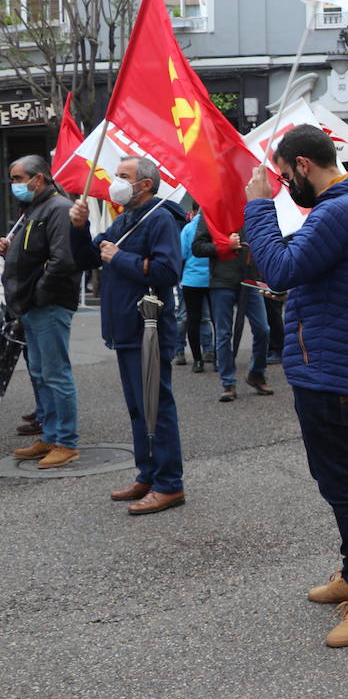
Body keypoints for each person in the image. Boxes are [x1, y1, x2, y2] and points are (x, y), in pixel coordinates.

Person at [241, 124, 348, 648]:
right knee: (334, 480)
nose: (283, 185)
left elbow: (282, 268)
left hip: (329, 366)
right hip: (323, 360)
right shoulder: (346, 209)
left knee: (344, 484)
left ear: (303, 164)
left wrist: (259, 207)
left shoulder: (340, 209)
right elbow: (304, 270)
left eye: (285, 176)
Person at [69, 156, 185, 512]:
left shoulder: (160, 218)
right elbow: (88, 258)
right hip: (125, 330)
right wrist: (79, 227)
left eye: (124, 176)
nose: (115, 181)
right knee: (138, 407)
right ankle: (147, 474)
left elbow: (167, 270)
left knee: (156, 406)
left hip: (147, 328)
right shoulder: (125, 219)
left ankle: (169, 484)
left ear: (145, 184)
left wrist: (120, 258)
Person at [2, 156, 81, 469]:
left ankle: (66, 441)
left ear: (39, 178)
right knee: (40, 374)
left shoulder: (58, 209)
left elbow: (63, 261)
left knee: (55, 374)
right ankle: (49, 435)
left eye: (19, 178)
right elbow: (36, 253)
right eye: (12, 178)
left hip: (47, 304)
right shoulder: (34, 209)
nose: (15, 185)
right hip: (31, 305)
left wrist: (38, 294)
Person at [193, 214, 274, 403]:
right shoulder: (211, 212)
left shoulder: (251, 209)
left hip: (250, 279)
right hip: (221, 281)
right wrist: (224, 245)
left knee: (263, 329)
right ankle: (228, 382)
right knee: (223, 334)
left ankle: (256, 373)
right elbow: (197, 248)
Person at [177, 203, 213, 374]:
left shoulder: (189, 228)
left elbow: (181, 254)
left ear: (194, 210)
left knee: (193, 320)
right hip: (215, 280)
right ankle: (218, 358)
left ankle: (197, 361)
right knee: (218, 321)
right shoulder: (216, 226)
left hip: (192, 280)